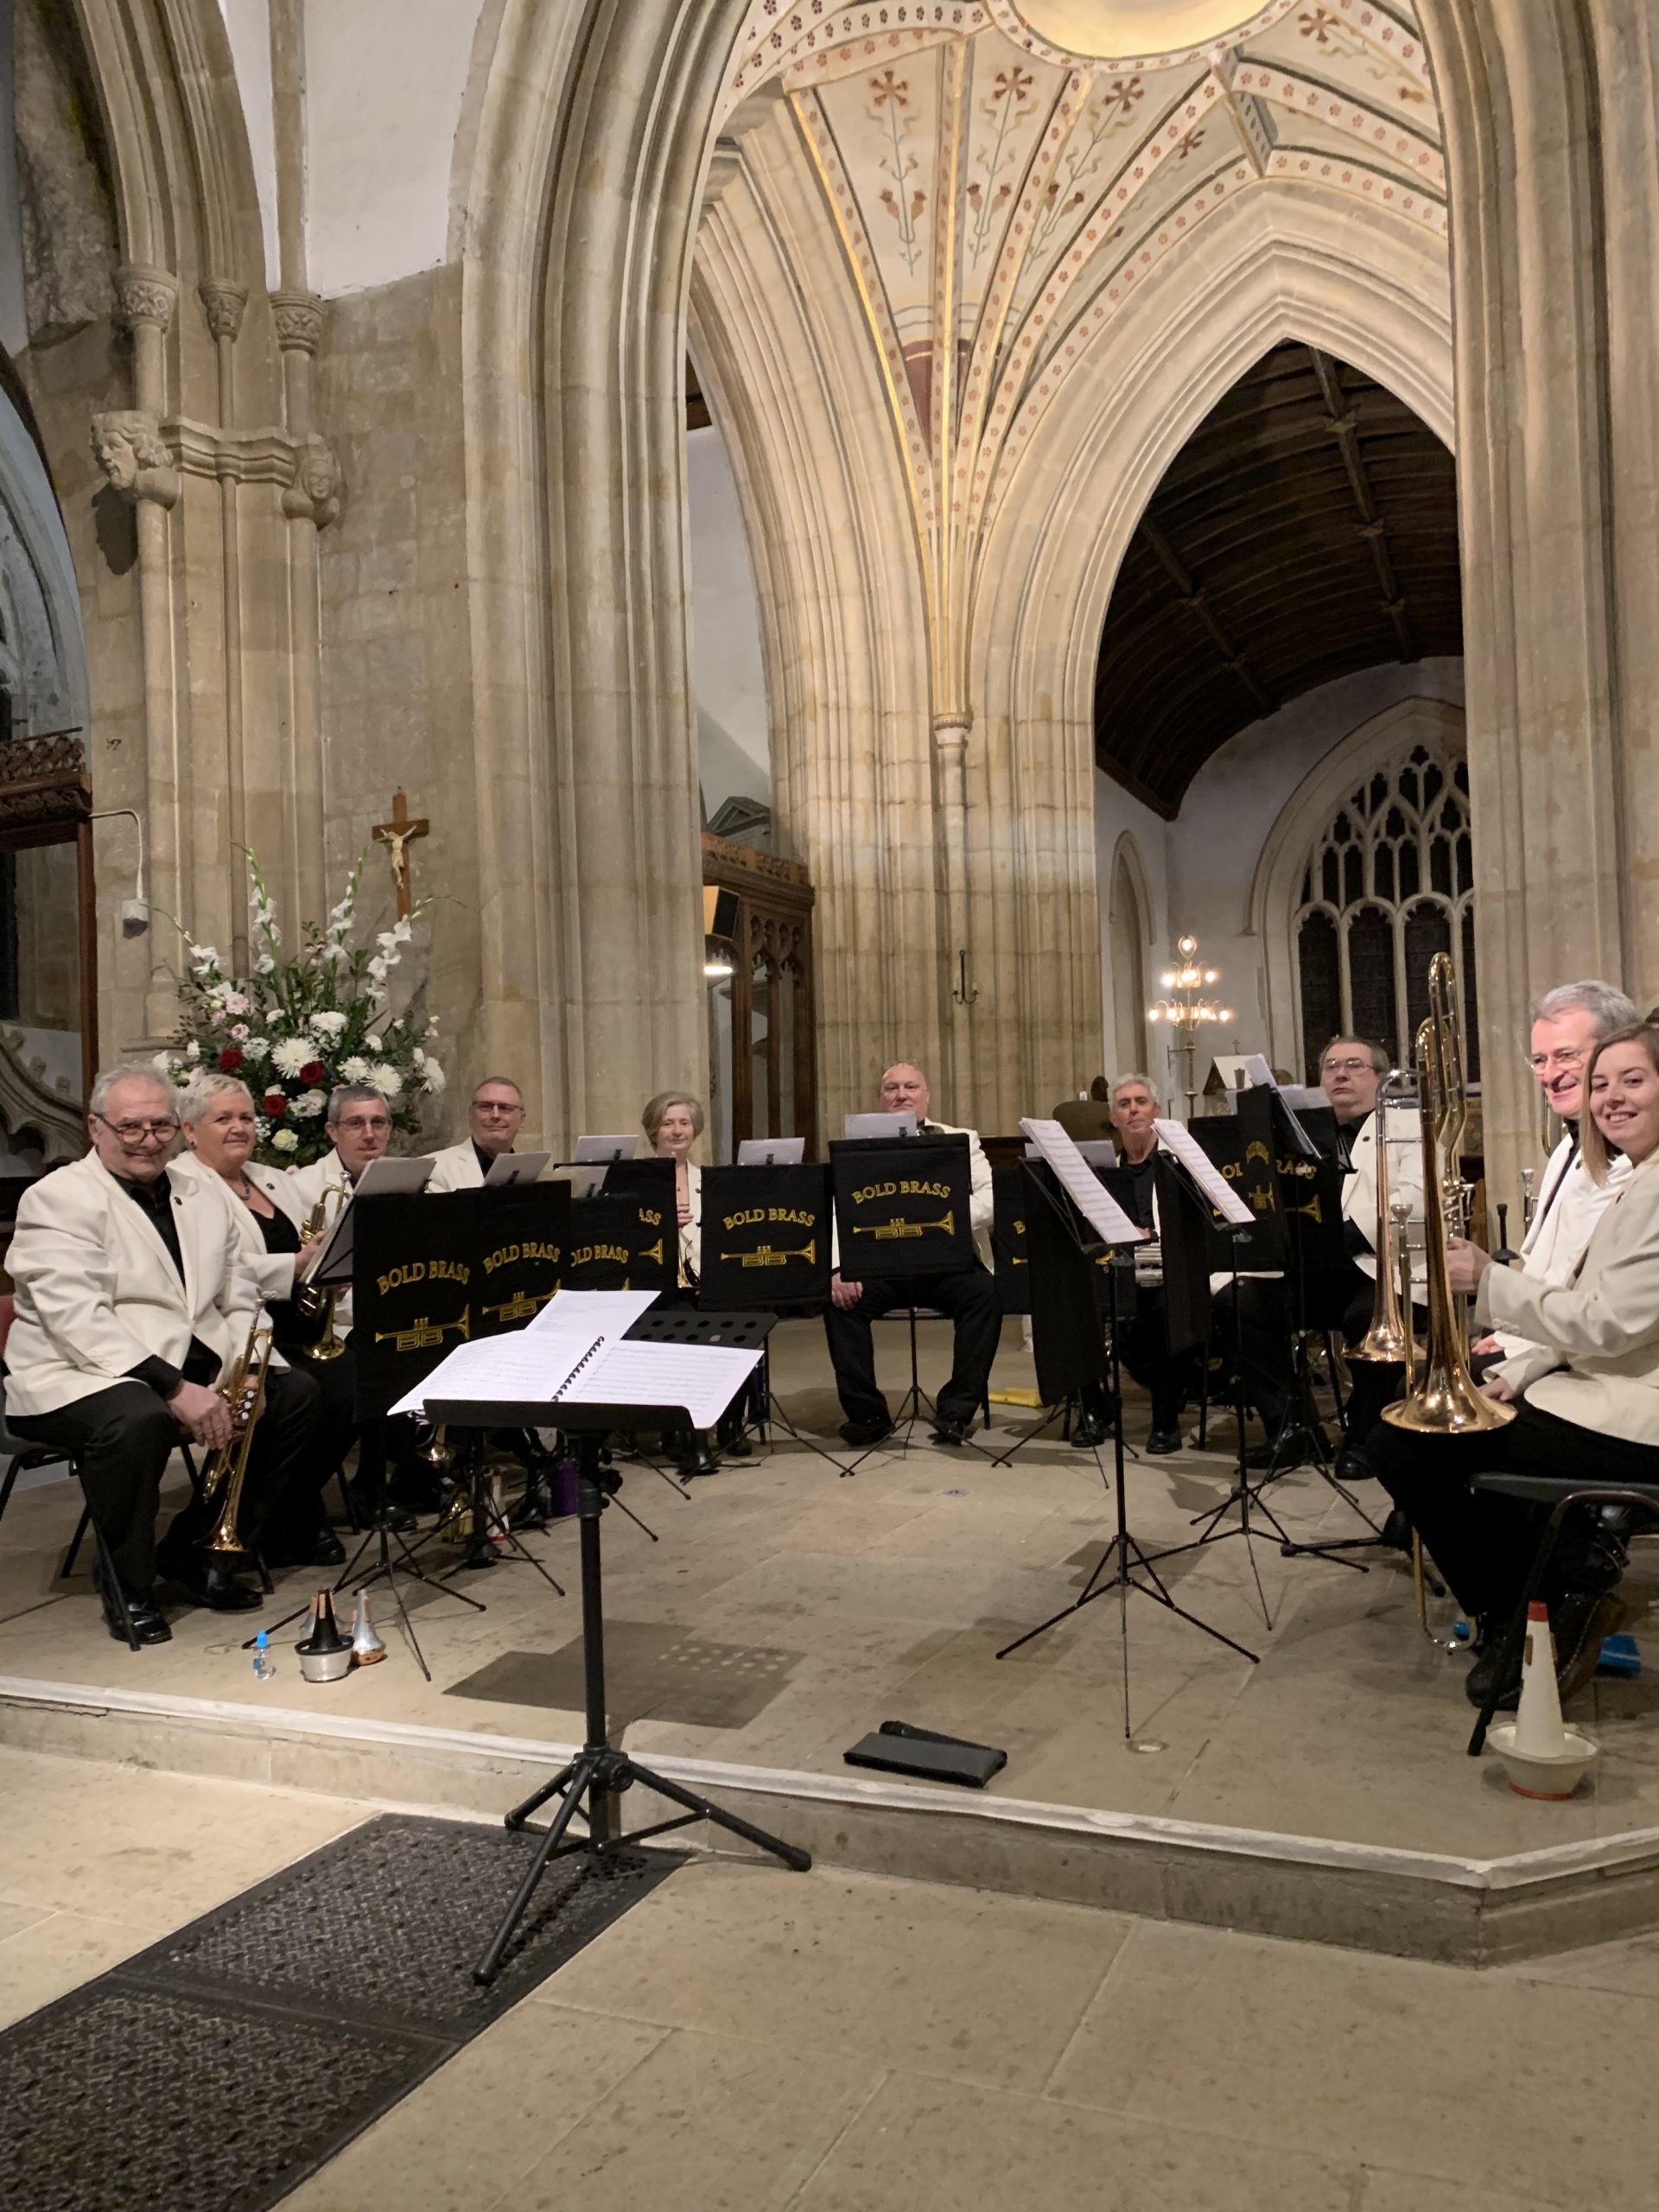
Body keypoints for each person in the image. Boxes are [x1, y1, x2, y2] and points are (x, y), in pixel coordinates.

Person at [1370, 1021, 1659, 1711]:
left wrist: (1488, 1281)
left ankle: (1528, 1613)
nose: (1610, 1098)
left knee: (1405, 1447)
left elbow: (1611, 1325)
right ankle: (1554, 1588)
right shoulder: (1640, 1177)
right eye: (1601, 1084)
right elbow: (1601, 1306)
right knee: (1453, 1421)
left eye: (1633, 1080)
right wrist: (1521, 1373)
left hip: (1639, 1415)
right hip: (1606, 1387)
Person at [3, 1065, 321, 1644]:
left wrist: (251, 1366)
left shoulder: (201, 1193)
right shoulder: (56, 1198)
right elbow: (78, 1319)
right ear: (95, 1127)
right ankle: (129, 1582)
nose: (147, 1140)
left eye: (160, 1126)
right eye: (130, 1127)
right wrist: (174, 1388)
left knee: (295, 1393)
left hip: (190, 1359)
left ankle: (199, 1553)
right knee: (138, 1419)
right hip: (74, 1372)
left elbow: (239, 1291)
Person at [1224, 1036, 1422, 1475]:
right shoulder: (1297, 1133)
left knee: (1370, 1318)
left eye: (1354, 1065)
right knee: (1241, 1302)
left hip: (1376, 1266)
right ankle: (1294, 1430)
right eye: (1331, 1066)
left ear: (1381, 1078)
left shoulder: (1408, 1125)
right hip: (1309, 1269)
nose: (1340, 1074)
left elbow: (1417, 1197)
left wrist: (1347, 1233)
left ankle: (1366, 1437)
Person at [169, 1071, 342, 1566]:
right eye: (223, 1118)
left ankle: (287, 1513)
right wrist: (293, 1266)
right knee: (310, 1391)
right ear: (190, 1131)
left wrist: (327, 1263)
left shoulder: (269, 1177)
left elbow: (311, 1238)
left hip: (290, 1319)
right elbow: (215, 1271)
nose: (239, 1127)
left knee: (353, 1382)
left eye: (245, 1117)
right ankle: (278, 1521)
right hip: (235, 1328)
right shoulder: (185, 1185)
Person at [824, 1062, 998, 1448]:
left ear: (927, 1096)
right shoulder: (858, 1145)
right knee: (840, 1304)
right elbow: (840, 1208)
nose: (901, 1095)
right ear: (880, 1098)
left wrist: (939, 1217)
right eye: (892, 1088)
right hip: (882, 1266)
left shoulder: (962, 1139)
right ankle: (868, 1416)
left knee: (985, 1295)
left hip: (946, 1263)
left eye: (910, 1087)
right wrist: (838, 1267)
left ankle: (956, 1411)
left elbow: (991, 1199)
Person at [1471, 981, 1637, 1382]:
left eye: (1565, 1056)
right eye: (1539, 1060)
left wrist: (1525, 1347)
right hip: (1543, 1333)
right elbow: (1547, 1266)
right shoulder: (1566, 1147)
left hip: (1589, 1359)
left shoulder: (1634, 1157)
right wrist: (1512, 1334)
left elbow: (1596, 1300)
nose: (1548, 1075)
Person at [286, 1084, 424, 1517]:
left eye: (378, 1122)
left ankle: (407, 1474)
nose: (369, 1134)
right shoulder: (302, 1187)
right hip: (335, 1322)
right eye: (355, 1123)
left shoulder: (409, 1180)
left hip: (390, 1312)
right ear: (332, 1131)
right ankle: (323, 1499)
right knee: (372, 1361)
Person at [639, 1090, 739, 1476]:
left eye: (684, 1123)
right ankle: (689, 1435)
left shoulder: (707, 1181)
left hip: (707, 1282)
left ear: (695, 1130)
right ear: (654, 1131)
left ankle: (728, 1422)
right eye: (668, 1123)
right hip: (660, 1288)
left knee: (741, 1319)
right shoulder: (639, 1181)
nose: (677, 1130)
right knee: (688, 1328)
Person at [1100, 1073, 1191, 1455]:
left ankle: (1165, 1420)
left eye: (1141, 1102)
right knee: (1077, 1305)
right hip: (1119, 1269)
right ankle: (1095, 1410)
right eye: (1124, 1104)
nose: (1133, 1110)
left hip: (1169, 1268)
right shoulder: (1106, 1168)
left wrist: (1151, 1234)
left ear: (1156, 1111)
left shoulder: (1178, 1160)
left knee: (1160, 1309)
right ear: (1114, 1118)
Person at [425, 1077, 528, 1192]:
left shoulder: (530, 1171)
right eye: (486, 1107)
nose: (495, 1115)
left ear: (522, 1120)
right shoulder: (432, 1168)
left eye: (504, 1108)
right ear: (471, 1115)